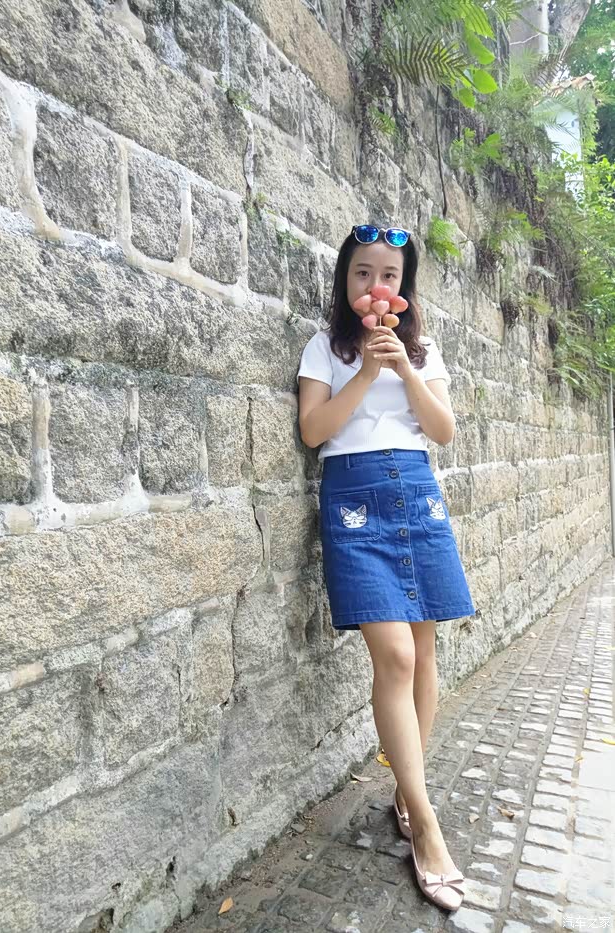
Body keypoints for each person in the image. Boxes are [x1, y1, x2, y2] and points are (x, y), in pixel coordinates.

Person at [296, 224, 476, 912]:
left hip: (417, 493)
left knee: (424, 651)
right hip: (354, 502)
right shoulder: (326, 347)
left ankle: (408, 794)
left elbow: (443, 430)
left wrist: (403, 368)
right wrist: (367, 372)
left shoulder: (423, 350)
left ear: (405, 287)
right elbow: (315, 430)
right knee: (395, 655)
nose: (377, 285)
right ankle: (426, 826)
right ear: (346, 281)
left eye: (390, 275)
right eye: (364, 273)